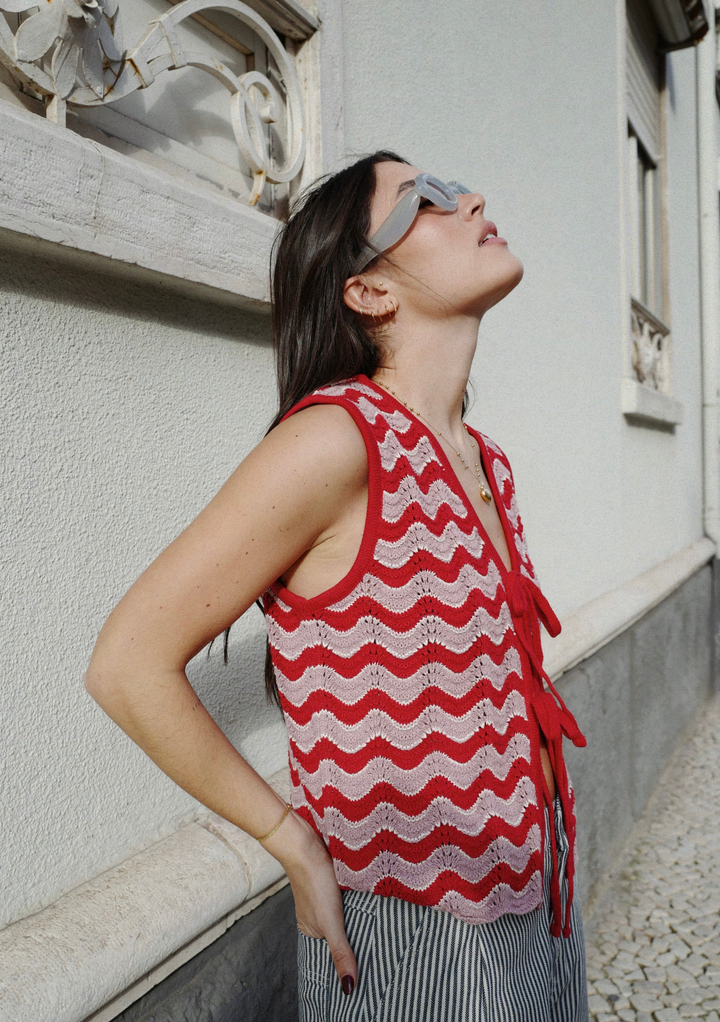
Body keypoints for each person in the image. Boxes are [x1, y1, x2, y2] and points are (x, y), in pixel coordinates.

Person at [85, 151, 589, 1021]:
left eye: (454, 183)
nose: (470, 198)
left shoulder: (482, 458)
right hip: (415, 927)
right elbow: (127, 664)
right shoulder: (337, 442)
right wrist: (291, 842)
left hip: (534, 893)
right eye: (424, 199)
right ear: (370, 292)